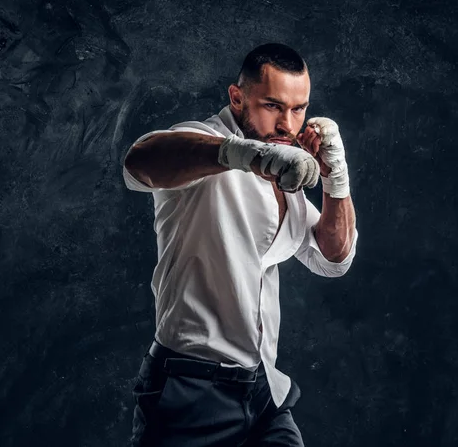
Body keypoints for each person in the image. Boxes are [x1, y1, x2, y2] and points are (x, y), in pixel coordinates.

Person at [123, 43, 358, 446]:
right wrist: (243, 154)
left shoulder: (288, 166)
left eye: (299, 109)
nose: (287, 123)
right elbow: (140, 162)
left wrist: (337, 178)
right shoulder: (204, 142)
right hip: (189, 390)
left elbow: (333, 256)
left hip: (263, 391)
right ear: (237, 97)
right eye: (273, 106)